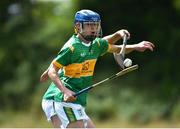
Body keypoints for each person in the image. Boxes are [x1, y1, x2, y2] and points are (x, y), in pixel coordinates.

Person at [40, 9, 155, 128]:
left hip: (75, 100)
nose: (94, 28)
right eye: (90, 25)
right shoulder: (72, 47)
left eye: (96, 25)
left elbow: (115, 48)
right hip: (60, 98)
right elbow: (52, 71)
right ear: (78, 26)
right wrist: (65, 91)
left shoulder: (95, 44)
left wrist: (136, 46)